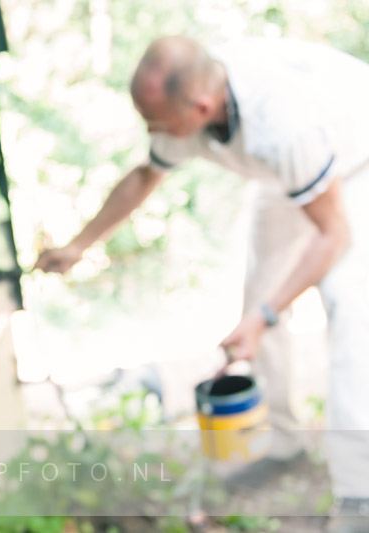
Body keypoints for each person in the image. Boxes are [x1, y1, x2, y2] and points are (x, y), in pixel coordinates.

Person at [34, 36, 369, 531]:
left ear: (201, 107)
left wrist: (265, 317)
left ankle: (358, 493)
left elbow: (333, 234)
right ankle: (284, 443)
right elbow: (146, 176)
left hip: (356, 161)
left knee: (350, 314)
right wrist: (80, 244)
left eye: (160, 124)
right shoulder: (188, 100)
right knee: (258, 299)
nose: (153, 132)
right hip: (288, 179)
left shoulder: (280, 124)